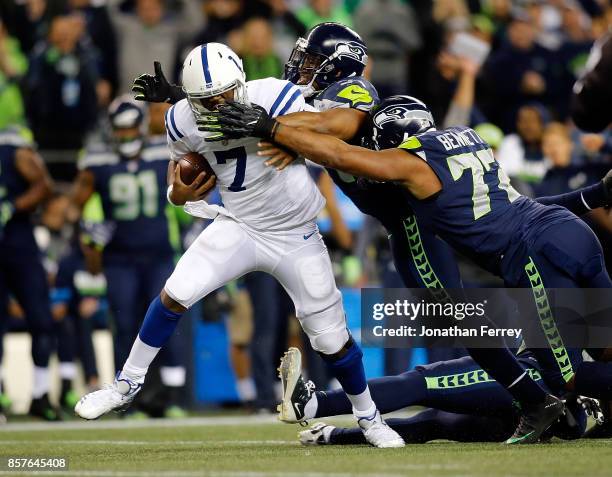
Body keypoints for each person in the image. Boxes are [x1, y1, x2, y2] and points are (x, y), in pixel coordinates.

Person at [140, 22, 612, 445]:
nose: (299, 67)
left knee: (466, 324)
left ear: (336, 62)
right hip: (522, 232)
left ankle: (539, 401)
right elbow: (260, 110)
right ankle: (537, 397)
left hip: (416, 229)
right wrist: (187, 97)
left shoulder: (353, 95)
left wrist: (276, 130)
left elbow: (338, 131)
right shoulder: (306, 106)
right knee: (465, 331)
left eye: (309, 60)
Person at [75, 43, 404, 449]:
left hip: (295, 232)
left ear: (241, 81)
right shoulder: (181, 119)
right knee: (175, 292)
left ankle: (369, 418)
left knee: (330, 337)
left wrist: (286, 134)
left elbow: (332, 121)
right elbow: (179, 183)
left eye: (225, 94)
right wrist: (179, 194)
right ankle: (125, 384)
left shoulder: (273, 94)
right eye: (205, 99)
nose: (216, 104)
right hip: (240, 225)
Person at [71, 97, 188, 417]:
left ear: (140, 126)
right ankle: (126, 399)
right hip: (119, 258)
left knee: (165, 321)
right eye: (120, 130)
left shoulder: (161, 151)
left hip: (158, 253)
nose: (125, 136)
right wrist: (87, 230)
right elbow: (74, 205)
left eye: (130, 129)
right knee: (124, 324)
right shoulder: (97, 161)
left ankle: (171, 398)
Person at [286, 345, 600, 446]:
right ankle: (331, 436)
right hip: (545, 416)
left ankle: (315, 404)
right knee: (434, 423)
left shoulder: (574, 264)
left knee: (423, 384)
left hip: (532, 380)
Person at [0, 125, 56, 420]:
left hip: (18, 244)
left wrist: (12, 206)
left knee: (41, 319)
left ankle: (40, 393)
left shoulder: (10, 147)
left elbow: (44, 185)